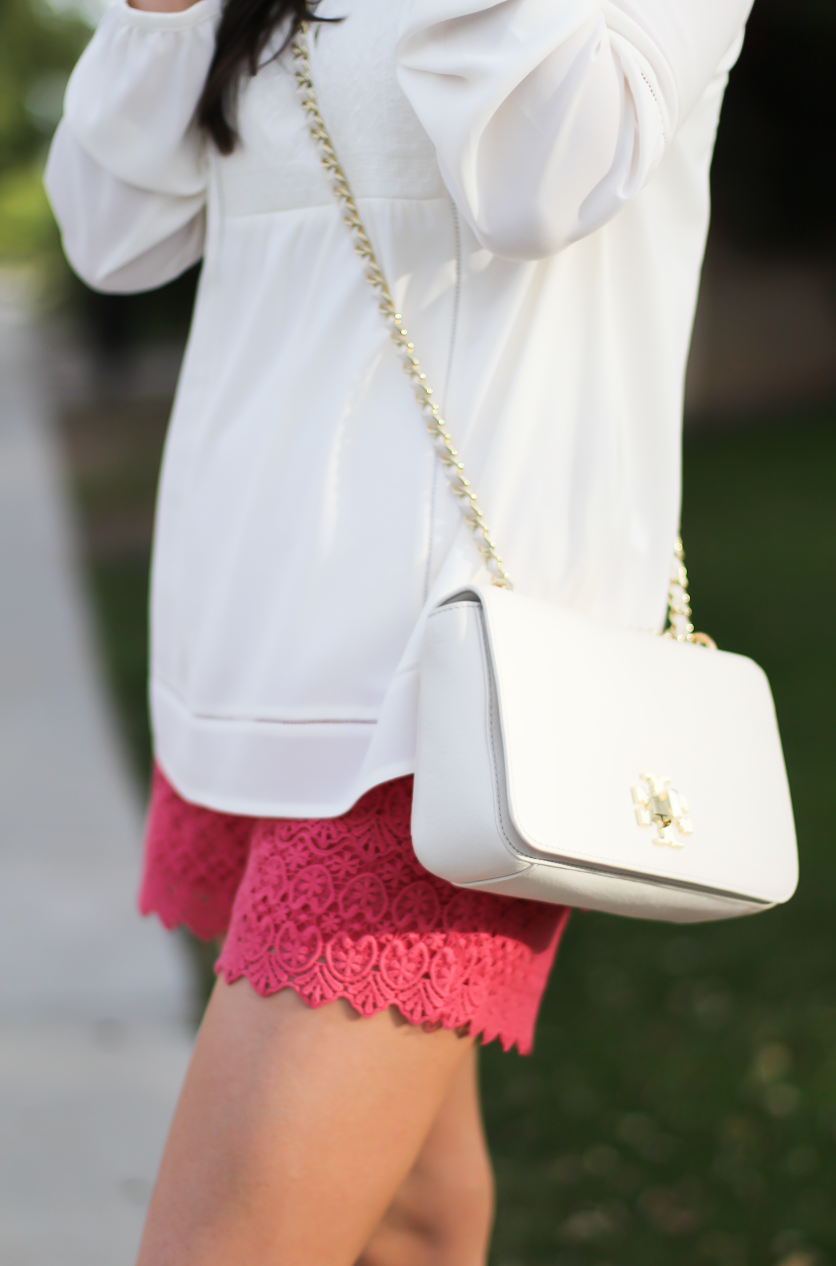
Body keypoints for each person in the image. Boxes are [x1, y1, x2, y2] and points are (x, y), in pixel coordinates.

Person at [45, 0, 753, 1259]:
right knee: (408, 1220)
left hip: (448, 688)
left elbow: (541, 180)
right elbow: (112, 238)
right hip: (247, 649)